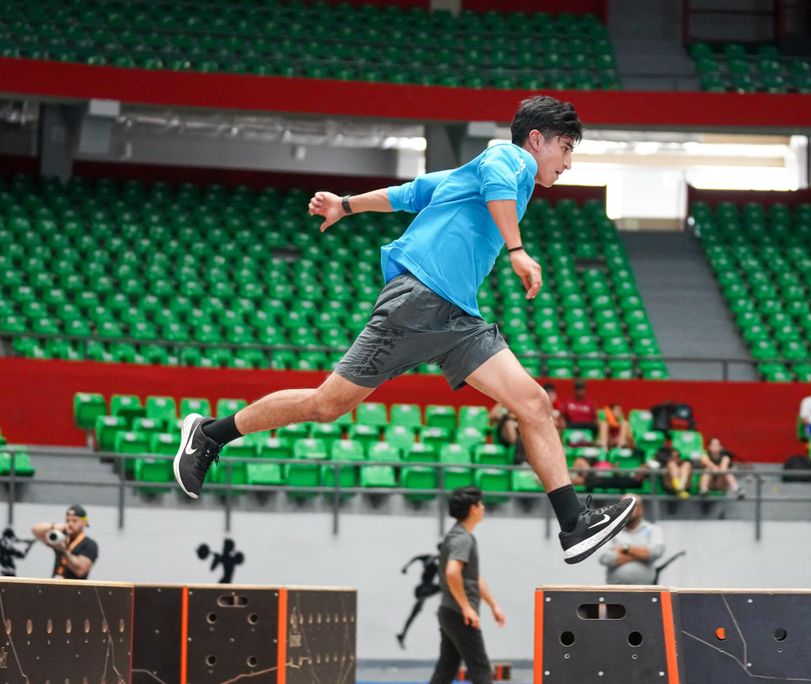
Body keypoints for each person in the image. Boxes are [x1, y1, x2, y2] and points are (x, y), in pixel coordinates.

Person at [173, 95, 635, 564]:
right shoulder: (508, 158)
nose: (569, 163)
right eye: (566, 147)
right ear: (536, 141)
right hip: (417, 301)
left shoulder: (475, 176)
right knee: (326, 404)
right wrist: (516, 250)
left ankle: (574, 523)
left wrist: (346, 204)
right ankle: (210, 434)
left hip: (457, 318)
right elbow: (494, 182)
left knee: (534, 403)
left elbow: (411, 194)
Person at [429, 487, 504, 684]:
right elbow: (452, 572)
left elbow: (474, 578)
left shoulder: (461, 536)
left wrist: (493, 605)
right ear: (472, 509)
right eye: (480, 504)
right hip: (459, 613)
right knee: (481, 669)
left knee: (446, 668)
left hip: (449, 611)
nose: (483, 507)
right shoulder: (462, 539)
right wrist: (466, 607)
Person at [599, 495, 665, 585]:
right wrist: (643, 555)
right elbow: (605, 558)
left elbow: (656, 552)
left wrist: (624, 548)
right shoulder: (609, 531)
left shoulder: (653, 529)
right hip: (615, 590)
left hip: (647, 590)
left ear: (641, 509)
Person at [31, 504, 99, 580]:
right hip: (55, 586)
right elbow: (35, 530)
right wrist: (58, 527)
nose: (70, 524)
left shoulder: (89, 544)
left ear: (84, 522)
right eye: (68, 520)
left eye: (75, 521)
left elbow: (80, 571)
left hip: (76, 589)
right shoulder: (62, 538)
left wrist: (64, 551)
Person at [397, 546, 441, 648]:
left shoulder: (438, 560)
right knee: (415, 611)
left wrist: (406, 567)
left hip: (427, 588)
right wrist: (406, 567)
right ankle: (402, 634)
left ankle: (403, 634)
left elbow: (416, 558)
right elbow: (416, 558)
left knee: (415, 611)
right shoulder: (432, 558)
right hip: (424, 588)